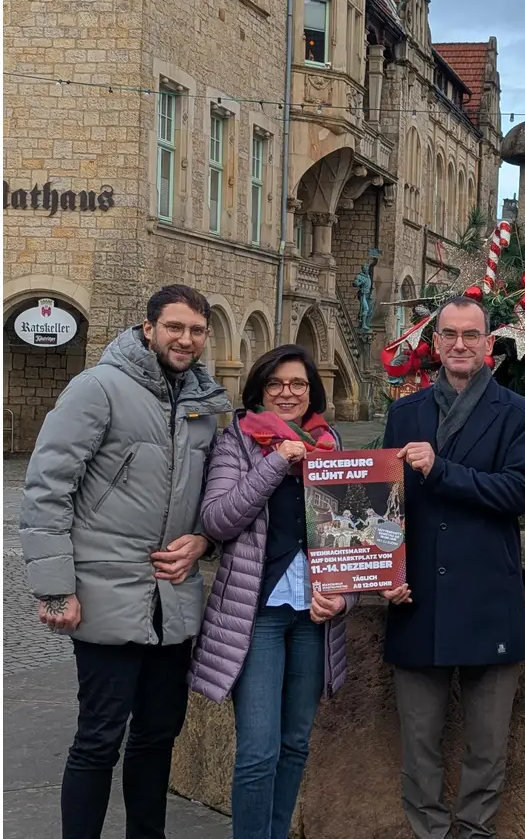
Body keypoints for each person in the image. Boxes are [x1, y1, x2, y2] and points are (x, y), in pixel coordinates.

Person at [20, 285, 232, 839]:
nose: (185, 339)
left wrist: (204, 541)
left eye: (196, 330)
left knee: (159, 732)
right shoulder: (98, 389)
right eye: (174, 327)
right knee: (99, 736)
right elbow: (47, 489)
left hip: (173, 596)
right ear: (149, 328)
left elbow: (215, 496)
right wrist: (54, 589)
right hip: (105, 592)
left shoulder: (204, 403)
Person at [378, 296, 525, 839]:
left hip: (486, 597)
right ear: (435, 343)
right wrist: (384, 572)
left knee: (487, 746)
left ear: (489, 345)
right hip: (417, 597)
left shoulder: (519, 414)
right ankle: (427, 831)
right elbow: (384, 506)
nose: (459, 345)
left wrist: (441, 469)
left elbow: (517, 492)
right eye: (449, 334)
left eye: (471, 335)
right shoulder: (405, 413)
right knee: (419, 744)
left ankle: (474, 832)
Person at [188, 344, 357, 839]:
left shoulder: (331, 443)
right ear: (260, 390)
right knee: (258, 749)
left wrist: (343, 597)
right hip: (256, 613)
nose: (287, 393)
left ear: (312, 391)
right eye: (276, 384)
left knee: (295, 743)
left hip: (313, 614)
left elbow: (355, 537)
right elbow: (218, 519)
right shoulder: (238, 442)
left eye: (298, 384)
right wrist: (276, 462)